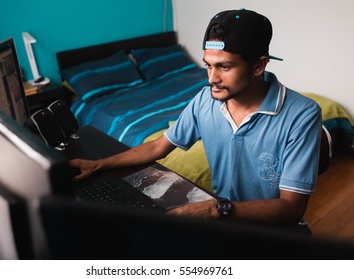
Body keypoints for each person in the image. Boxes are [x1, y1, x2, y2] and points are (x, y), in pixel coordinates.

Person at [70, 9, 322, 230]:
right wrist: (100, 164)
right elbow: (158, 146)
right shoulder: (205, 99)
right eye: (208, 66)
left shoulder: (302, 114)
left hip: (272, 229)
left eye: (224, 67)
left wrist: (214, 210)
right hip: (223, 219)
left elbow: (291, 208)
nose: (212, 78)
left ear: (258, 66)